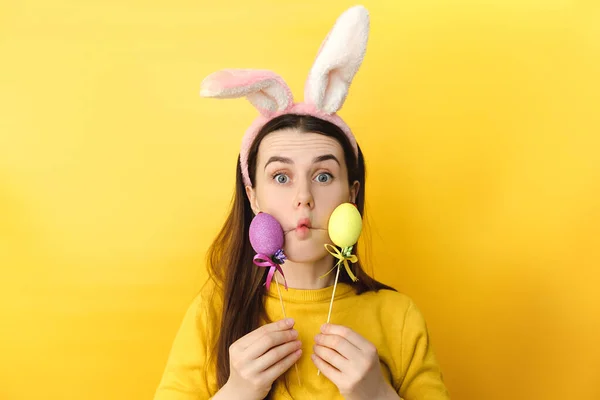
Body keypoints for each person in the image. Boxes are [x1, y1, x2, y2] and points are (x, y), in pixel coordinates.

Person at [154, 5, 450, 400]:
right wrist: (238, 392)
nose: (303, 198)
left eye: (323, 176)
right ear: (253, 195)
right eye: (281, 177)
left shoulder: (398, 316)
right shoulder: (211, 314)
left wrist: (378, 394)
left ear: (352, 193)